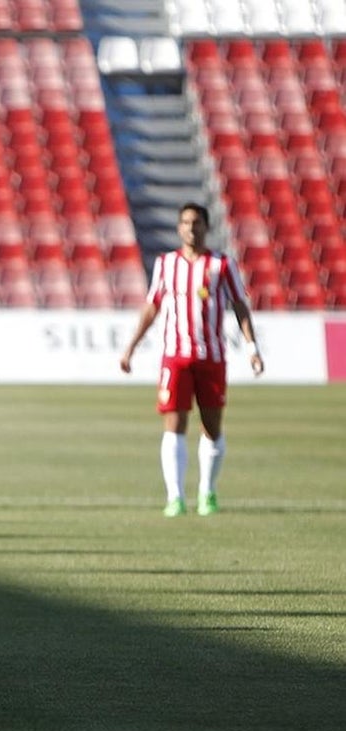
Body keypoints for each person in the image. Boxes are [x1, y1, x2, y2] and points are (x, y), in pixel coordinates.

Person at [120, 201, 264, 517]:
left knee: (212, 427)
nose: (190, 227)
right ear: (178, 228)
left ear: (206, 227)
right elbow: (152, 306)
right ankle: (175, 497)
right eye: (185, 222)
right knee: (174, 424)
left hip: (211, 357)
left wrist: (252, 348)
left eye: (196, 222)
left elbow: (240, 305)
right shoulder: (165, 264)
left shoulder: (221, 265)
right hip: (175, 356)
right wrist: (131, 346)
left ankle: (207, 492)